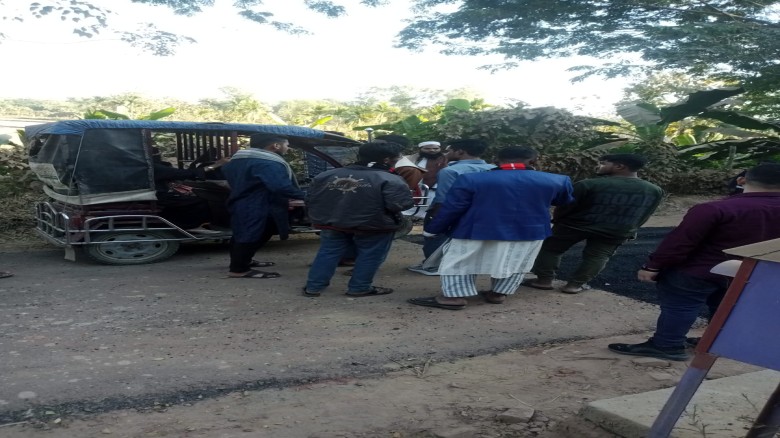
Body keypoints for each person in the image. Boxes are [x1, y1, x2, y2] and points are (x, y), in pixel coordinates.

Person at [608, 163, 780, 361]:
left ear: (742, 180)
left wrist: (653, 266)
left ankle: (667, 345)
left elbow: (680, 242)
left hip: (699, 270)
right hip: (753, 272)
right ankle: (717, 341)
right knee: (729, 306)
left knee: (681, 306)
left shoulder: (714, 209)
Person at [407, 146, 575, 310]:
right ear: (533, 160)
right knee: (515, 262)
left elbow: (453, 208)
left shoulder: (472, 179)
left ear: (496, 160)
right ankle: (498, 294)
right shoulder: (557, 180)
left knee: (459, 262)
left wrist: (434, 228)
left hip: (476, 229)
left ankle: (453, 297)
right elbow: (562, 202)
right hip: (531, 230)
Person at [526, 153, 664, 293]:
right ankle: (574, 285)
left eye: (604, 163)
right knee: (598, 256)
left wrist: (559, 220)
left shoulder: (589, 184)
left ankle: (544, 280)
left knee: (551, 249)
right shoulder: (654, 190)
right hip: (617, 230)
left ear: (619, 166)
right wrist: (630, 229)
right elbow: (645, 213)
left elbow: (565, 206)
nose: (599, 166)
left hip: (574, 226)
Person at [303, 142, 414, 297]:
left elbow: (310, 198)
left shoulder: (326, 175)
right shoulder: (390, 178)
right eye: (398, 157)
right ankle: (359, 287)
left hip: (332, 223)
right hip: (375, 226)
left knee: (328, 252)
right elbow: (400, 204)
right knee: (370, 255)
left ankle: (313, 287)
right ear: (387, 159)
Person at [222, 134, 306, 279]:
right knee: (251, 235)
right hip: (258, 204)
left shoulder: (237, 160)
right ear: (276, 146)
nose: (288, 148)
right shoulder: (267, 162)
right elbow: (280, 186)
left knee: (243, 234)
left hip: (241, 200)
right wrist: (307, 196)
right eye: (286, 144)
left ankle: (244, 261)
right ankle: (239, 269)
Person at [407, 138, 496, 275]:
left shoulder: (450, 171)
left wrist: (435, 217)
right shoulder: (493, 169)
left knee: (436, 237)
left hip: (453, 211)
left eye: (449, 150)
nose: (446, 153)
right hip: (483, 212)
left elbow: (443, 199)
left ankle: (433, 265)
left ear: (460, 152)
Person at [152, 147, 229, 233]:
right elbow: (184, 174)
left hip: (156, 194)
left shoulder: (149, 166)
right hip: (159, 196)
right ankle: (191, 225)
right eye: (156, 153)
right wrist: (214, 165)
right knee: (200, 201)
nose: (159, 155)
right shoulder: (154, 167)